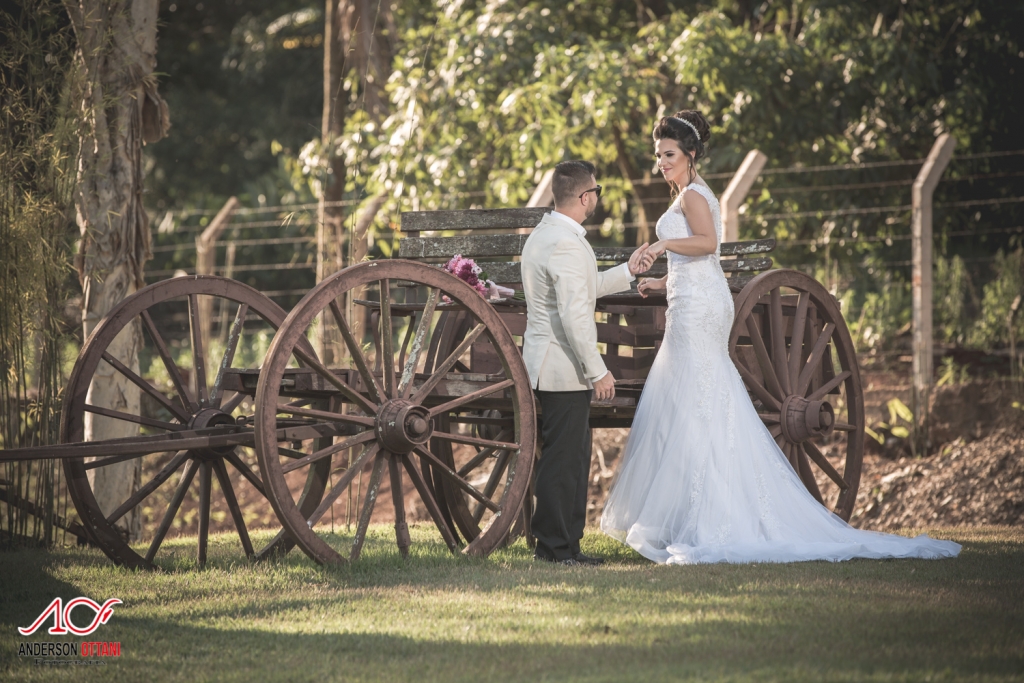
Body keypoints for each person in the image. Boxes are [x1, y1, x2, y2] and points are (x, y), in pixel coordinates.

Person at [599, 110, 961, 564]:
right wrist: (659, 282)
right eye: (657, 156)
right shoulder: (686, 195)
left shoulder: (693, 195)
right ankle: (690, 509)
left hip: (701, 310)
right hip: (690, 299)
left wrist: (663, 245)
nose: (661, 163)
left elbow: (708, 245)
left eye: (668, 154)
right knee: (692, 400)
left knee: (696, 397)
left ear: (690, 154)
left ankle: (713, 515)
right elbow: (695, 264)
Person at [521, 160, 655, 566]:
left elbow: (585, 287)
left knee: (572, 456)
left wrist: (627, 270)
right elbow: (575, 315)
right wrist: (597, 371)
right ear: (585, 197)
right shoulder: (564, 242)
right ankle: (555, 548)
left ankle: (565, 545)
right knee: (565, 460)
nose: (597, 196)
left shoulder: (546, 234)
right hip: (561, 367)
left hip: (549, 362)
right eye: (595, 190)